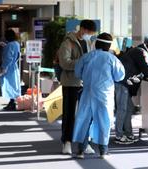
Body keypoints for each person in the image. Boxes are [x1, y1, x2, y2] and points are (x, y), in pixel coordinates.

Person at [72, 32, 125, 159]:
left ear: (96, 44)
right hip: (104, 95)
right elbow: (120, 76)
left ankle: (80, 151)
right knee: (104, 121)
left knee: (84, 119)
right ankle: (103, 151)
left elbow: (77, 73)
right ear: (109, 46)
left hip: (87, 93)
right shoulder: (112, 59)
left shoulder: (86, 57)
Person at [58, 20, 96, 154]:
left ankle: (85, 142)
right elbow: (64, 62)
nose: (89, 35)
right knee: (69, 114)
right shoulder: (68, 42)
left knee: (86, 114)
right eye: (88, 33)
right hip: (71, 83)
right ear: (82, 29)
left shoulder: (89, 42)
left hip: (86, 83)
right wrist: (82, 62)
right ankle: (66, 142)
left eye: (92, 34)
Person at [115, 40, 148, 144]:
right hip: (124, 83)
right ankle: (119, 135)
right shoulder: (142, 52)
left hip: (124, 83)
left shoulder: (137, 50)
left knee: (128, 108)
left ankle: (128, 134)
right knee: (122, 109)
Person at [0, 29, 21, 111]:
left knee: (9, 85)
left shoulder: (9, 45)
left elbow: (8, 58)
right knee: (14, 85)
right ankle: (12, 102)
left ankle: (12, 103)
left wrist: (4, 68)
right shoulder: (16, 44)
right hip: (14, 66)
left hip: (9, 68)